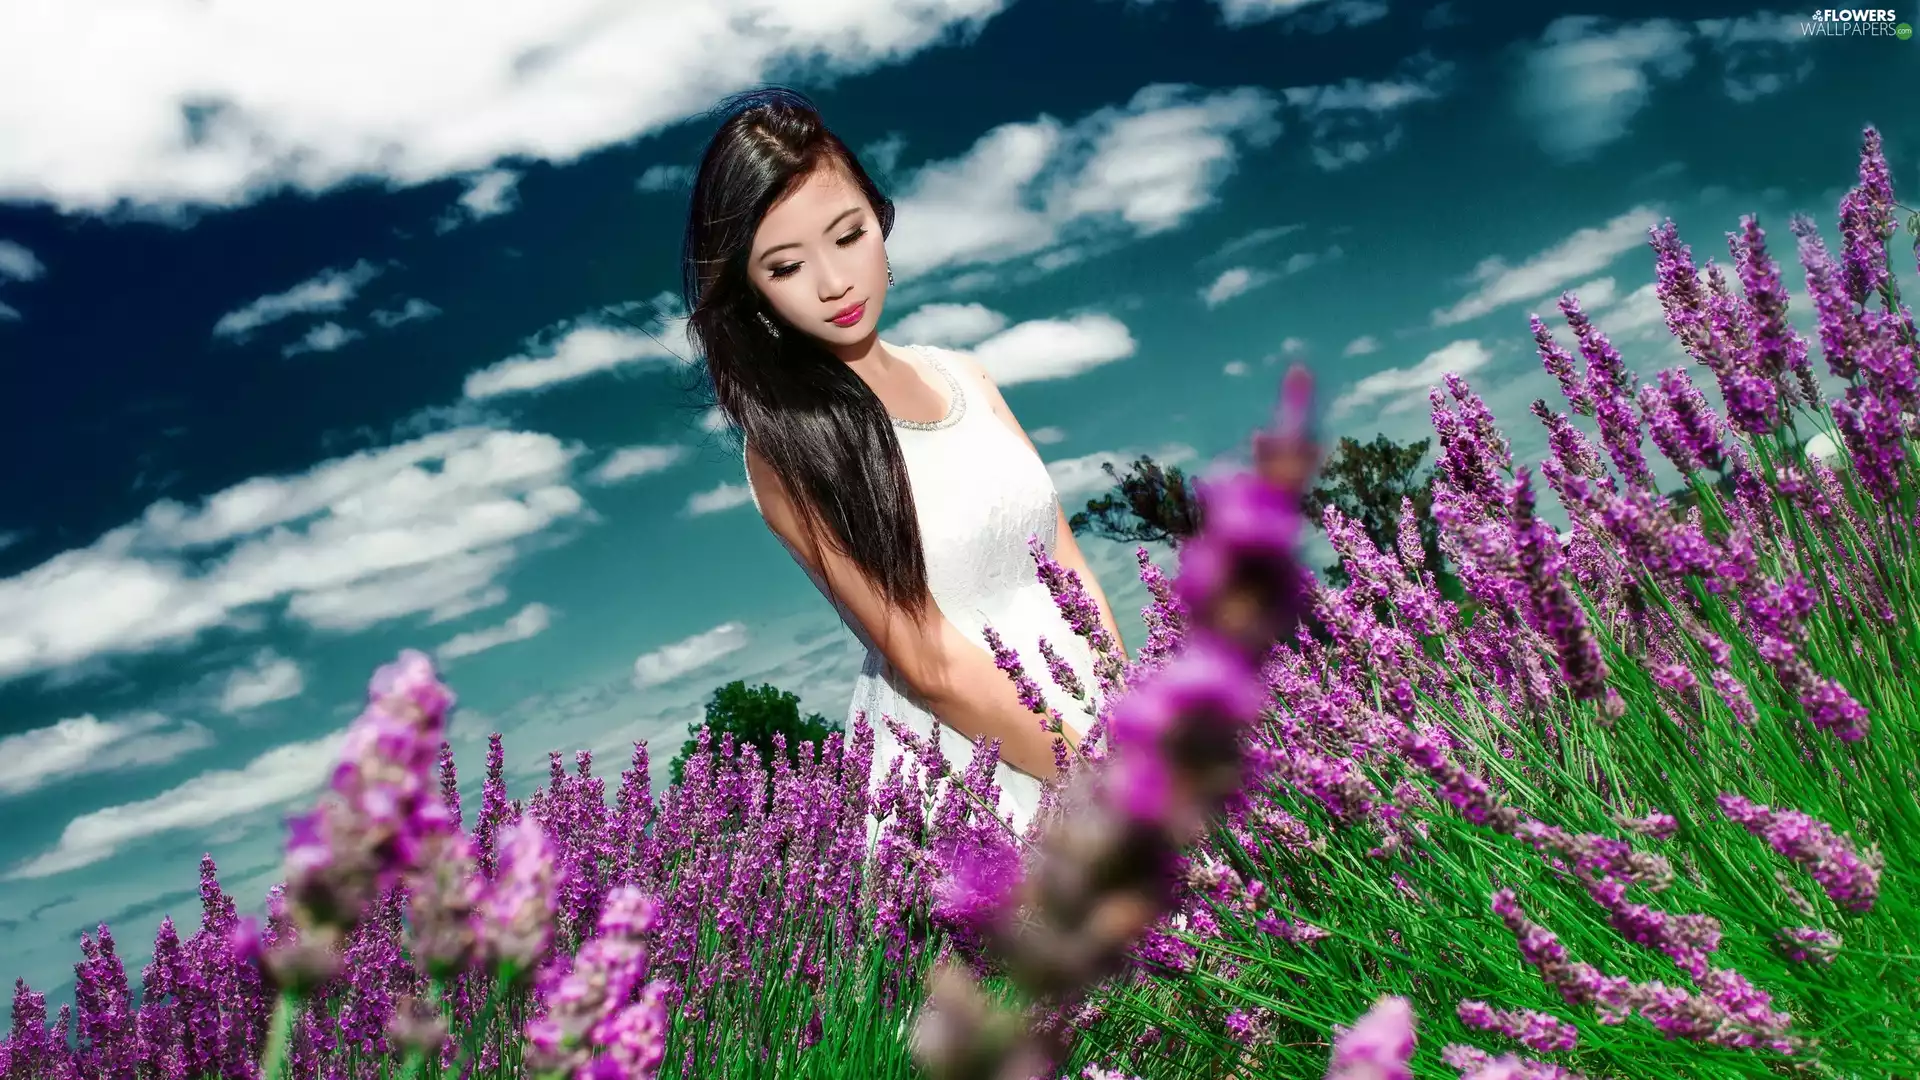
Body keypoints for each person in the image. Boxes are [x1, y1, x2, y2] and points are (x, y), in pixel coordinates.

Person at [678, 87, 1127, 831]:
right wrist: (1091, 778)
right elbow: (929, 664)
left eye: (847, 235)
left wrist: (1125, 708)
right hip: (973, 770)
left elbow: (1066, 561)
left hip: (1096, 712)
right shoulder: (788, 447)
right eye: (786, 267)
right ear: (750, 293)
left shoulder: (968, 376)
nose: (833, 283)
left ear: (879, 218)